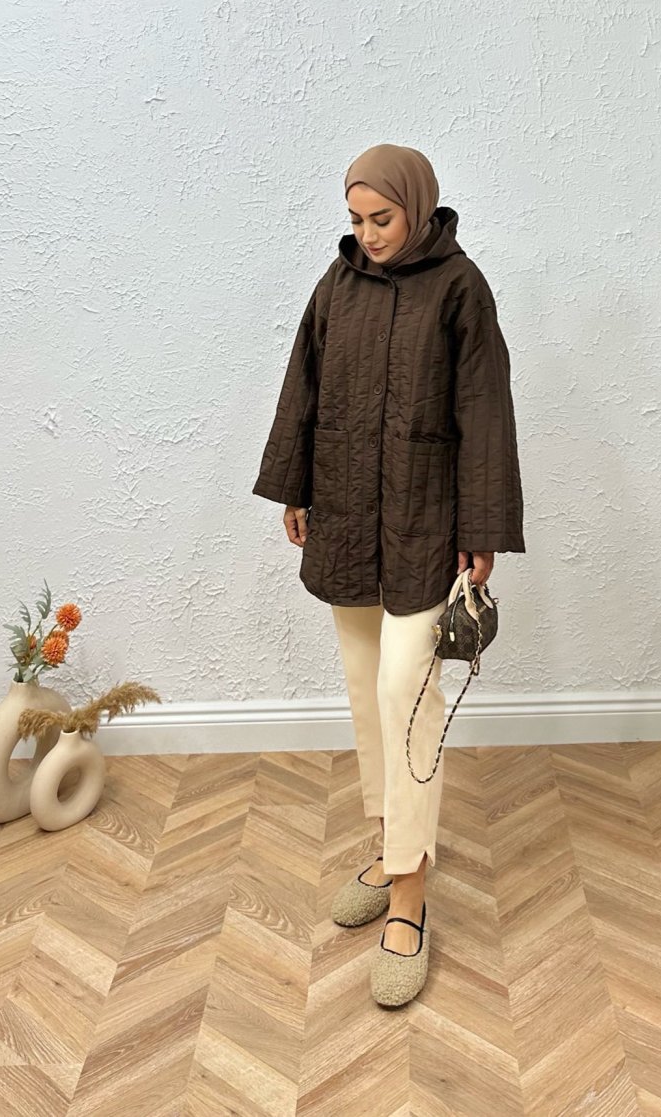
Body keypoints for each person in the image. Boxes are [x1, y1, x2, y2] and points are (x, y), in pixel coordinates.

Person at [252, 142, 525, 1006]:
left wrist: (482, 529)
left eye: (383, 218)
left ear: (419, 208)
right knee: (365, 686)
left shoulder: (461, 288)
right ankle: (389, 843)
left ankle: (409, 891)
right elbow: (302, 387)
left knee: (408, 694)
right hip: (344, 513)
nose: (368, 233)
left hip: (425, 523)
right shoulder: (336, 286)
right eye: (356, 219)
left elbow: (485, 410)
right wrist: (294, 486)